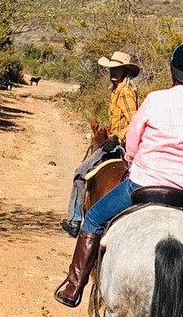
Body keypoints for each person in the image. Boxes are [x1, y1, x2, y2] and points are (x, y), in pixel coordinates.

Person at [54, 42, 183, 308]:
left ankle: (74, 286)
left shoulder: (155, 99)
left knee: (94, 218)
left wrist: (131, 160)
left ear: (173, 71)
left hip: (143, 184)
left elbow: (132, 140)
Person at [60, 51, 140, 237]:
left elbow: (134, 120)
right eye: (111, 68)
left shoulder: (125, 92)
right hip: (116, 140)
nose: (113, 72)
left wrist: (117, 138)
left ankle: (75, 219)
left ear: (124, 71)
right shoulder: (116, 90)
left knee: (80, 172)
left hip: (121, 144)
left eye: (117, 69)